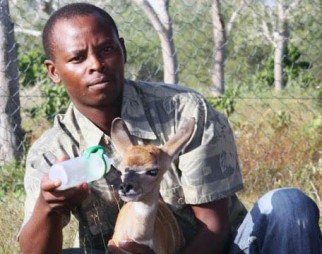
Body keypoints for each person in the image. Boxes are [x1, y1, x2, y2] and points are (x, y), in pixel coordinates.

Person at [18, 3, 322, 254]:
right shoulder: (53, 151)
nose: (96, 64)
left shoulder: (185, 112)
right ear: (54, 71)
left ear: (122, 50)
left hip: (223, 249)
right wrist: (48, 206)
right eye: (78, 57)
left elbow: (214, 228)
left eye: (106, 49)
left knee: (288, 205)